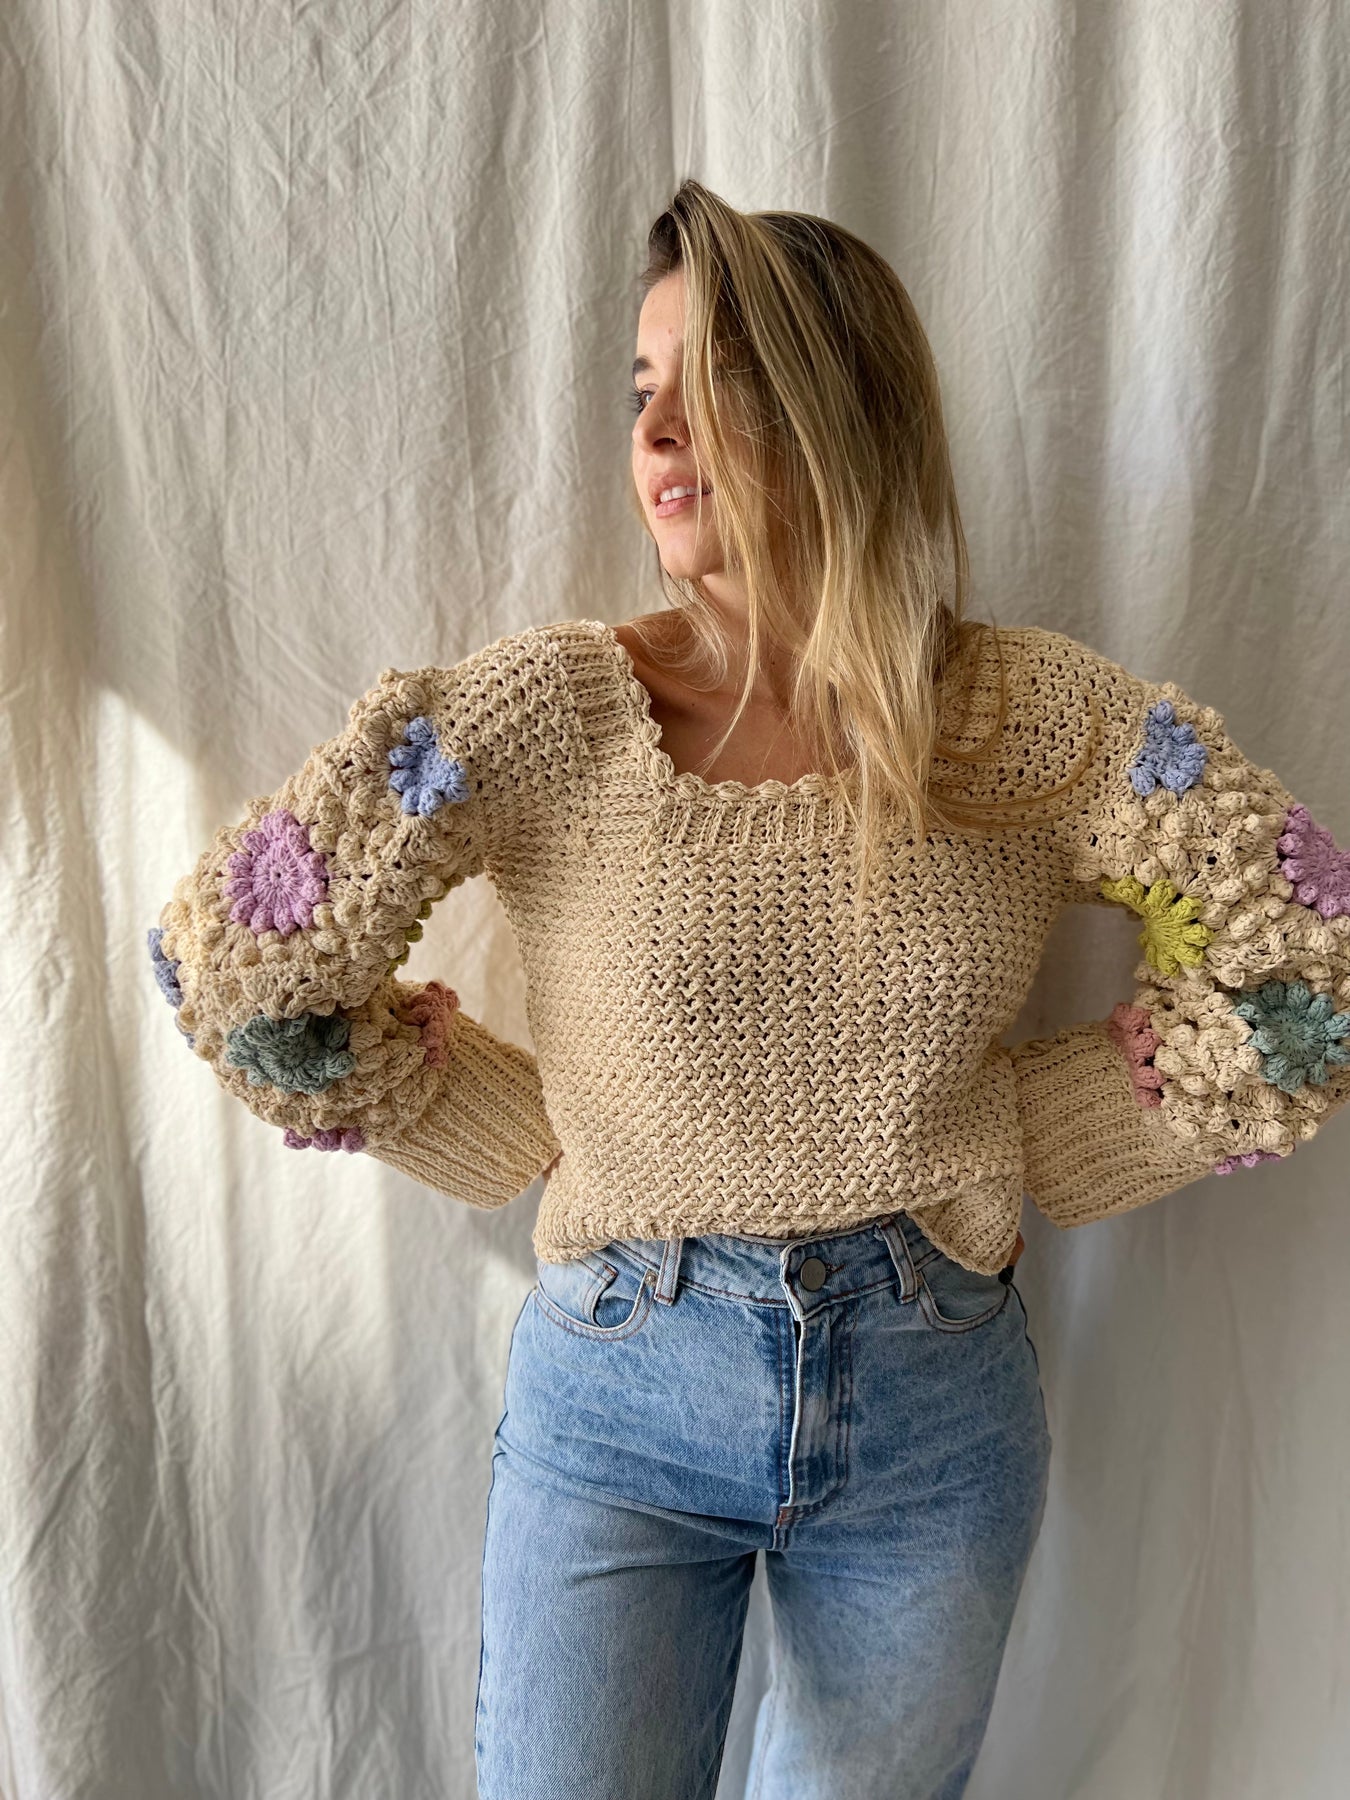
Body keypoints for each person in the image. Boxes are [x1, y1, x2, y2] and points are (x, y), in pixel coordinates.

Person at [149, 180, 1350, 1798]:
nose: (656, 433)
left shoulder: (1020, 721)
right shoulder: (543, 718)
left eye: (718, 386)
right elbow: (236, 971)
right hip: (617, 1399)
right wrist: (513, 1125)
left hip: (934, 1410)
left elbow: (1305, 962)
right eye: (640, 389)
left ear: (842, 417)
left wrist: (1046, 1127)